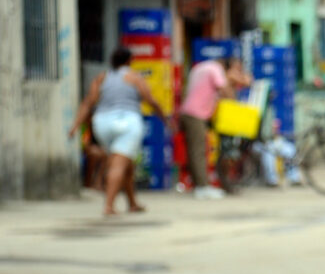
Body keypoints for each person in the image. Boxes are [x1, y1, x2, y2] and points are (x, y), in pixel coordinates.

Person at [68, 47, 166, 216]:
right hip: (128, 122)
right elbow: (150, 100)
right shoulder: (134, 77)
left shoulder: (102, 77)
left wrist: (75, 126)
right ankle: (108, 205)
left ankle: (132, 203)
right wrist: (165, 119)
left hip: (103, 123)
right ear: (129, 61)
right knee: (118, 164)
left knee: (126, 163)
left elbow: (88, 103)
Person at [178, 55, 249, 199]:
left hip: (187, 111)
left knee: (194, 151)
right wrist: (235, 106)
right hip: (196, 114)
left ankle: (198, 184)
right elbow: (223, 89)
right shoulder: (215, 68)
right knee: (199, 151)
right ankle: (202, 188)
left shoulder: (198, 68)